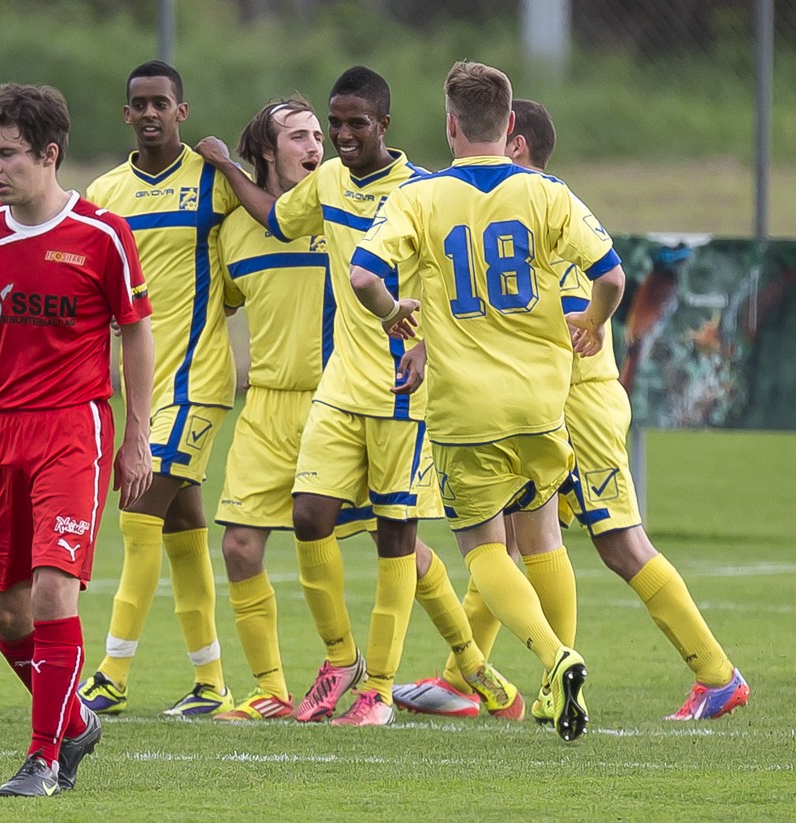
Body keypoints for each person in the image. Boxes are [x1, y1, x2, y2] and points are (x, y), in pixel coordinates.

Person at [393, 99, 749, 722]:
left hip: (577, 401)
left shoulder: (539, 209)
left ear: (517, 142)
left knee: (618, 543)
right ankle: (467, 675)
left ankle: (716, 673)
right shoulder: (530, 208)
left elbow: (569, 303)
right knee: (505, 531)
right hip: (540, 401)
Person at [198, 66, 522, 727]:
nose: (329, 140)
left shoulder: (425, 190)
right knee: (303, 520)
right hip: (319, 397)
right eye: (319, 127)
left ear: (383, 125)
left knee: (399, 540)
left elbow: (459, 274)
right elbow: (276, 220)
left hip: (401, 394)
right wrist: (229, 169)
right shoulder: (317, 192)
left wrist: (431, 342)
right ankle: (330, 663)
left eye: (342, 126)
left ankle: (408, 680)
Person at [350, 61, 627, 742]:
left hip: (464, 408)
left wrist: (393, 313)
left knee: (481, 547)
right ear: (508, 126)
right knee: (542, 536)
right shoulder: (547, 192)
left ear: (449, 124)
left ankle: (554, 656)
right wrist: (590, 320)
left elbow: (363, 276)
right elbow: (613, 277)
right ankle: (553, 688)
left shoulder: (419, 196)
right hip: (539, 401)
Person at [0, 82, 154, 797]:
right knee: (5, 612)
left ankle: (44, 755)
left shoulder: (102, 234)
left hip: (73, 426)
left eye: (7, 153)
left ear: (48, 154)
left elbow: (135, 333)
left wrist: (135, 434)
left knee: (53, 592)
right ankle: (74, 718)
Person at [78, 60, 238, 717]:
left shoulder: (211, 183)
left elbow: (255, 238)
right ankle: (211, 682)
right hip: (141, 385)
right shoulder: (104, 192)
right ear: (125, 114)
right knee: (181, 525)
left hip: (198, 377)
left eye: (160, 103)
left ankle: (111, 674)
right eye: (138, 103)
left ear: (182, 111)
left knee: (137, 510)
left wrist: (233, 166)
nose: (149, 113)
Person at [209, 97, 374, 722]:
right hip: (267, 407)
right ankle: (270, 689)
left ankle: (472, 668)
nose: (316, 146)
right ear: (266, 153)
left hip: (342, 402)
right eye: (299, 137)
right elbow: (217, 309)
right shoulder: (233, 231)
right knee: (241, 547)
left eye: (318, 135)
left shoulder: (339, 210)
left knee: (398, 543)